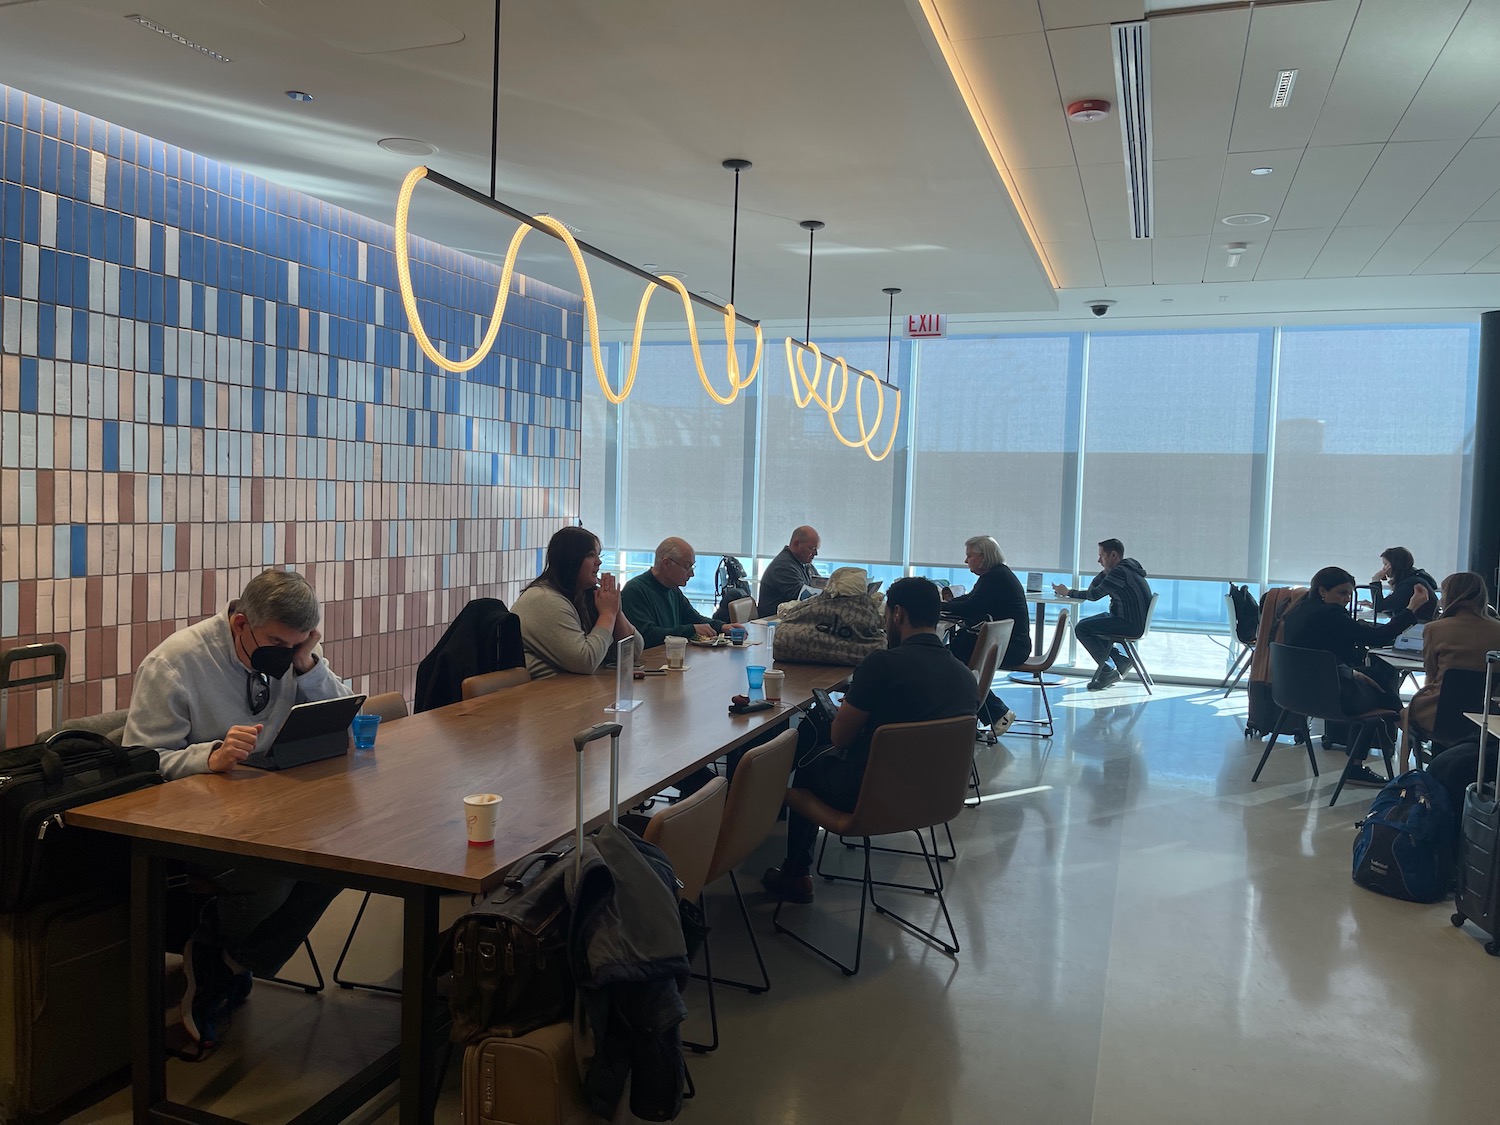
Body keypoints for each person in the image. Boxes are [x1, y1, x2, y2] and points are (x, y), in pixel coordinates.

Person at [122, 568, 353, 1054]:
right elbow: (140, 761)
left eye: (297, 644)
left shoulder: (290, 655)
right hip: (199, 823)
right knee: (271, 877)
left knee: (342, 857)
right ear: (240, 623)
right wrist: (207, 757)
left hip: (272, 806)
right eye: (276, 643)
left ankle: (227, 960)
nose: (284, 656)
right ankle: (221, 956)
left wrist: (308, 664)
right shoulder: (175, 663)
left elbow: (340, 717)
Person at [761, 577, 979, 903]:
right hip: (934, 797)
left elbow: (841, 737)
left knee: (809, 755)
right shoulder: (964, 676)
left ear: (897, 614)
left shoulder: (883, 664)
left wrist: (844, 712)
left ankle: (795, 872)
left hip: (870, 797)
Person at [1280, 564, 1428, 786]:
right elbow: (1380, 638)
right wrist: (1412, 608)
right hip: (1329, 699)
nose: (1347, 599)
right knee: (1381, 684)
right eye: (1342, 593)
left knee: (1374, 677)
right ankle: (1404, 728)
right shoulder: (1331, 614)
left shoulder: (1296, 612)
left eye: (1349, 594)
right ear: (1322, 591)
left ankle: (1403, 724)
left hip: (1295, 696)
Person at [1400, 571, 1500, 770]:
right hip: (1487, 714)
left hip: (1440, 711)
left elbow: (1431, 674)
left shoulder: (1434, 629)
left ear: (1450, 596)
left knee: (1405, 714)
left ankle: (1419, 776)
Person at [513, 526, 638, 679]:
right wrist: (607, 615)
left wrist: (615, 610)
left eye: (598, 555)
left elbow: (633, 652)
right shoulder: (543, 599)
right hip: (544, 696)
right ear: (571, 560)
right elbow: (586, 662)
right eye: (591, 555)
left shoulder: (586, 594)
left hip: (577, 690)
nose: (598, 562)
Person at [941, 535, 1031, 734]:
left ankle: (995, 713)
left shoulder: (995, 578)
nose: (966, 561)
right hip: (1008, 644)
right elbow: (970, 600)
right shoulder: (996, 575)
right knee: (950, 660)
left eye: (970, 556)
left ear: (984, 557)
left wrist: (935, 606)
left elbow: (971, 607)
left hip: (1011, 648)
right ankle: (977, 714)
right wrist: (944, 605)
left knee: (949, 663)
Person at [1052, 538, 1151, 691]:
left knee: (1082, 629)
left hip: (1129, 624)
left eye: (1101, 556)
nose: (1099, 560)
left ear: (1113, 555)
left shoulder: (1119, 572)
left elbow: (1094, 595)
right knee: (1092, 623)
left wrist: (1068, 592)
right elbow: (1094, 587)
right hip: (1131, 621)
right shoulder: (1127, 568)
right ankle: (1119, 660)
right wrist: (1105, 572)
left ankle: (1107, 670)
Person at [620, 537, 730, 648]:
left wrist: (722, 627)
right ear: (666, 563)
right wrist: (691, 630)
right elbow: (647, 636)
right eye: (687, 566)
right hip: (650, 660)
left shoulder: (673, 589)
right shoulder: (635, 591)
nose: (692, 574)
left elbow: (695, 619)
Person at [756, 525, 821, 618]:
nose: (815, 554)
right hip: (773, 622)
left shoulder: (804, 563)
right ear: (796, 544)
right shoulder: (783, 565)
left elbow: (820, 585)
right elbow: (803, 597)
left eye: (816, 549)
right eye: (811, 548)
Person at [1366, 546, 1438, 622]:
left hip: (1418, 626)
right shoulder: (1414, 578)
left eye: (1385, 564)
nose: (1383, 569)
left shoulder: (1409, 584)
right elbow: (1393, 605)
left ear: (1394, 565)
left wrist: (1375, 580)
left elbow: (1379, 607)